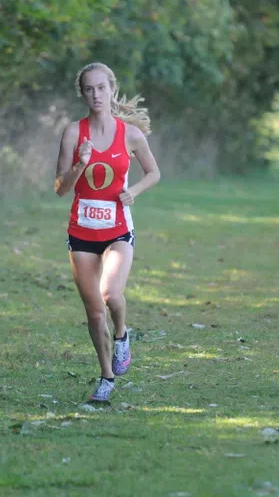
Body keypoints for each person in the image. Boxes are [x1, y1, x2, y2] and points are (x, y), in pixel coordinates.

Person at [54, 62, 161, 402]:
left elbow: (154, 172)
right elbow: (59, 188)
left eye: (101, 87)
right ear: (82, 93)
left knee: (111, 295)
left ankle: (122, 335)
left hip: (117, 229)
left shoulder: (130, 134)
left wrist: (135, 192)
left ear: (112, 89)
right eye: (89, 89)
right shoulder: (73, 132)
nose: (96, 94)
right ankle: (106, 377)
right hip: (82, 231)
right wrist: (79, 165)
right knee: (93, 311)